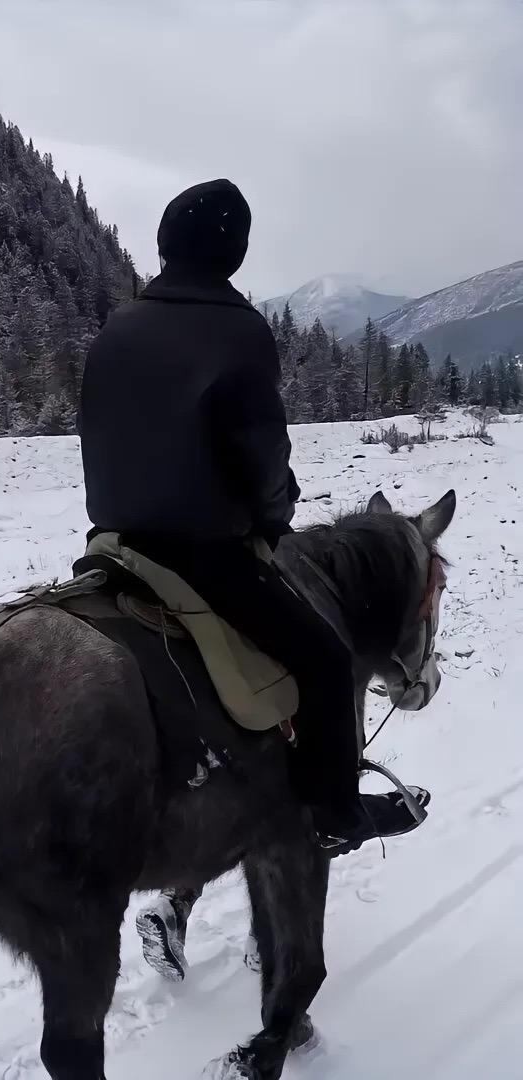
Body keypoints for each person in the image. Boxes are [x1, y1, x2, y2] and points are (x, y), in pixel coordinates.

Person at [77, 178, 423, 855]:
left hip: (110, 543)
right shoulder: (239, 331)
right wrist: (273, 516)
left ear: (166, 244)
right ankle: (333, 812)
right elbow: (263, 455)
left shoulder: (119, 325)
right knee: (326, 660)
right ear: (233, 252)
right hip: (202, 556)